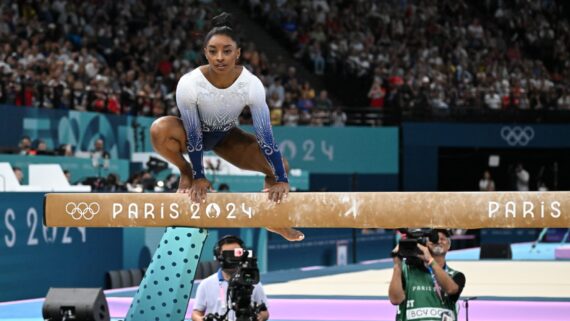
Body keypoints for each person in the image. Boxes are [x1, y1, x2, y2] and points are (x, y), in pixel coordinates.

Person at [150, 12, 303, 241]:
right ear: (205, 53)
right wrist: (197, 174)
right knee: (159, 130)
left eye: (227, 51)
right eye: (213, 51)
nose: (219, 57)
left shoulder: (251, 85)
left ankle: (274, 220)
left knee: (280, 165)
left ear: (238, 53)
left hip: (226, 137)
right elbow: (193, 134)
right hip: (193, 133)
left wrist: (281, 178)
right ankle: (185, 170)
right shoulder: (189, 83)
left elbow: (265, 136)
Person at [389, 229, 466, 321]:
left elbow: (451, 289)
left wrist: (430, 260)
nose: (438, 241)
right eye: (434, 239)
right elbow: (395, 300)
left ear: (449, 245)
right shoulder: (406, 270)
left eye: (442, 239)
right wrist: (397, 265)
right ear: (425, 244)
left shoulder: (456, 276)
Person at [192, 235, 269, 321]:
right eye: (228, 255)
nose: (233, 259)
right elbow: (196, 313)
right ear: (219, 257)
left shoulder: (252, 281)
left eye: (236, 253)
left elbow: (265, 312)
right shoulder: (206, 284)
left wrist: (260, 317)